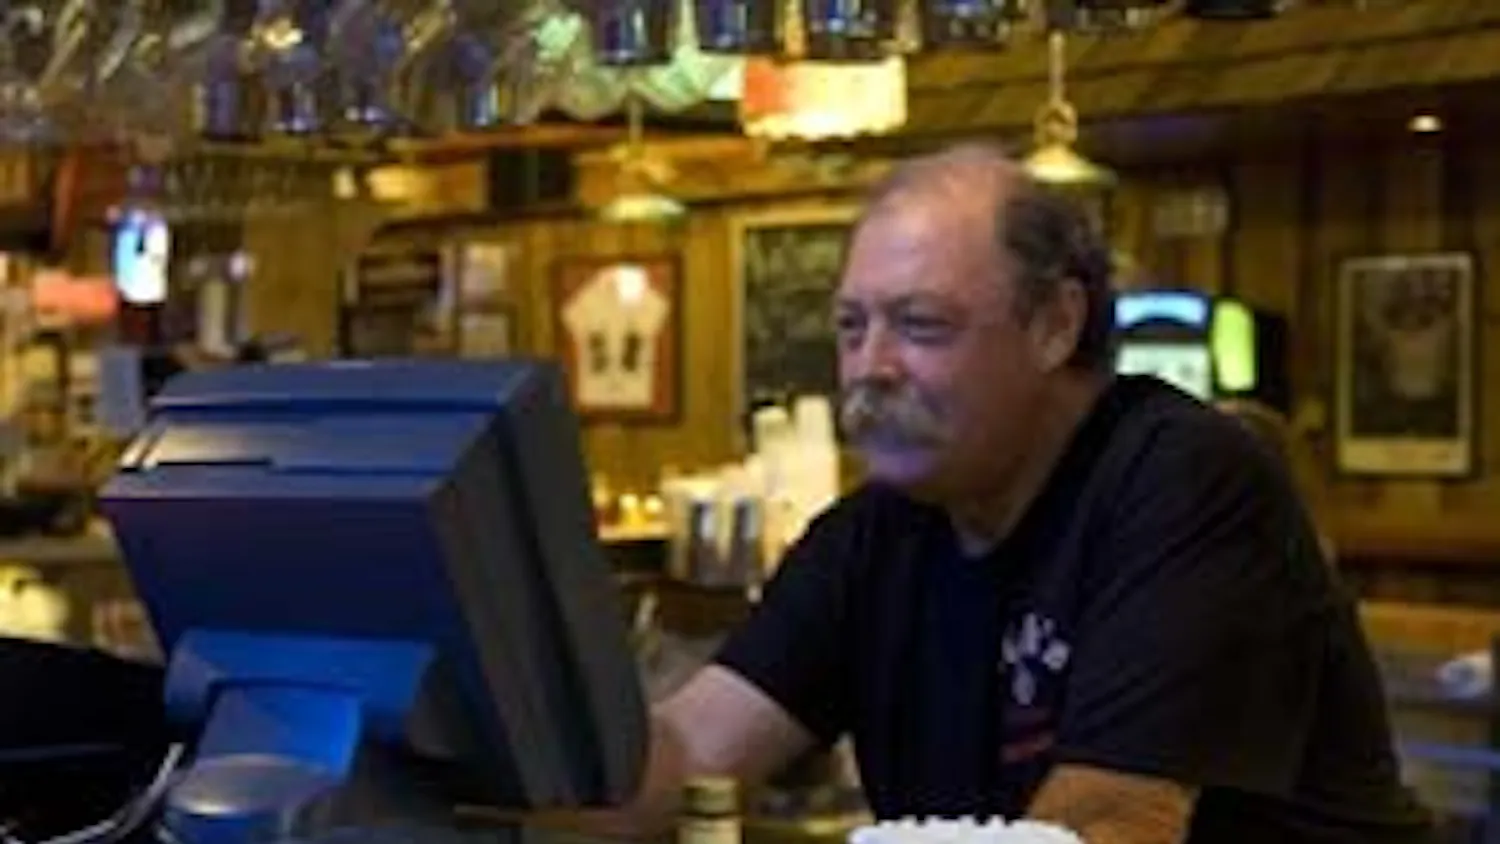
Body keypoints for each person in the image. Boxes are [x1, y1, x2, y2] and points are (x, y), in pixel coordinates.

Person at [571, 144, 1432, 843]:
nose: (870, 367)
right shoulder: (873, 536)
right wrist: (490, 739)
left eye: (920, 325)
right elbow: (687, 756)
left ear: (1056, 324)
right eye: (851, 326)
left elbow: (1109, 826)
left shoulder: (1184, 478)